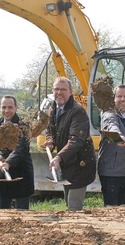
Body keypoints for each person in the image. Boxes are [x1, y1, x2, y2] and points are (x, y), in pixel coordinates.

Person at [42, 77, 96, 211]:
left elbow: (76, 139)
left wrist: (59, 157)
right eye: (56, 89)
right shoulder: (54, 108)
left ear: (71, 92)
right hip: (67, 164)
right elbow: (51, 130)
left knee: (73, 206)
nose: (59, 92)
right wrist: (50, 141)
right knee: (68, 202)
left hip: (80, 165)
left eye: (63, 90)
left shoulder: (77, 111)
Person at [0, 95, 34, 209]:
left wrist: (8, 162)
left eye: (10, 107)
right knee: (3, 209)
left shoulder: (23, 124)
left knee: (22, 211)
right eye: (4, 107)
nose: (6, 111)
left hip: (22, 171)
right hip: (4, 170)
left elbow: (22, 147)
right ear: (0, 107)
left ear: (16, 108)